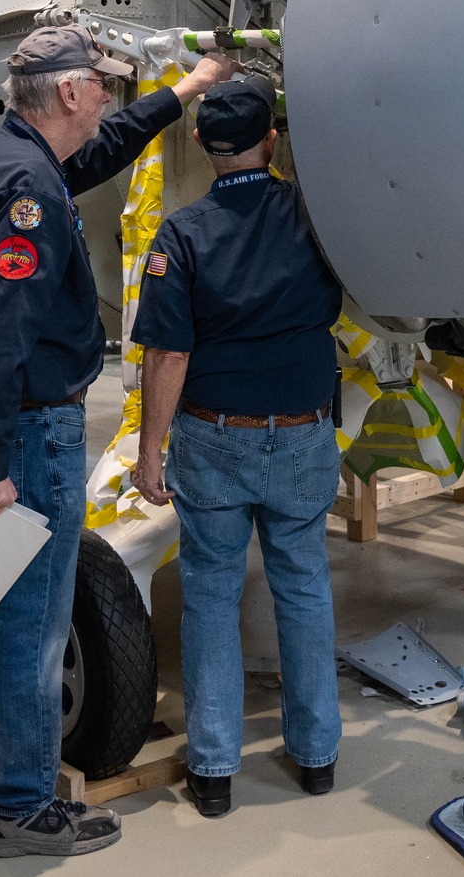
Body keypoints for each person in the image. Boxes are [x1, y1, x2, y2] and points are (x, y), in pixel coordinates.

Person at [0, 24, 237, 857]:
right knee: (31, 621)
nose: (106, 94)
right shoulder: (25, 186)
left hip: (4, 426)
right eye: (100, 83)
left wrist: (188, 86)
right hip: (25, 430)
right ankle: (21, 805)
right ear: (68, 93)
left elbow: (102, 153)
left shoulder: (9, 154)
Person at [131, 74, 345, 819]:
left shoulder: (183, 234)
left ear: (199, 144)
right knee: (305, 586)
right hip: (303, 432)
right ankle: (317, 757)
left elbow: (168, 356)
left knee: (212, 598)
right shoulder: (318, 217)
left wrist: (150, 449)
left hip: (215, 438)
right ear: (273, 139)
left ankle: (216, 771)